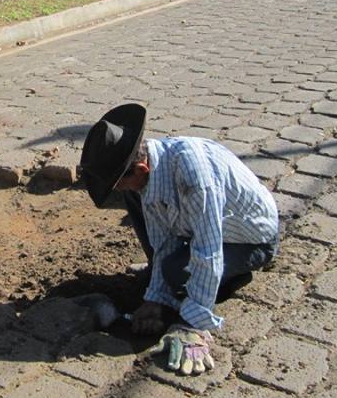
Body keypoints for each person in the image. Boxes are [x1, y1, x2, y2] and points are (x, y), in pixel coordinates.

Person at [79, 103, 280, 376]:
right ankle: (173, 282)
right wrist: (155, 298)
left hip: (249, 241)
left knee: (176, 271)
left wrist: (192, 324)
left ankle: (221, 283)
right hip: (201, 227)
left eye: (120, 181)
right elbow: (163, 240)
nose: (118, 190)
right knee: (139, 210)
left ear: (140, 169)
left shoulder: (195, 178)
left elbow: (208, 248)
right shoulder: (152, 167)